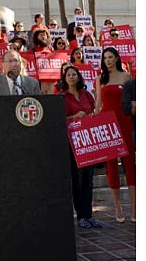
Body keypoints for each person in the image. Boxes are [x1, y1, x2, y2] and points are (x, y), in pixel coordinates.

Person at [95, 47, 136, 222]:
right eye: (105, 58)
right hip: (107, 123)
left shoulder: (126, 77)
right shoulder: (100, 79)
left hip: (125, 121)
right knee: (111, 164)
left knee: (130, 162)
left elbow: (132, 102)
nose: (108, 60)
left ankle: (134, 207)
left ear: (117, 58)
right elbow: (98, 104)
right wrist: (93, 121)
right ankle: (117, 206)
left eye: (110, 57)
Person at [59, 65, 101, 229]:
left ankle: (89, 215)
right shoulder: (62, 97)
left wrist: (91, 116)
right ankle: (81, 216)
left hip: (87, 141)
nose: (71, 77)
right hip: (72, 142)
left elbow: (94, 112)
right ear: (65, 78)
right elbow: (58, 119)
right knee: (77, 178)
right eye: (68, 75)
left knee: (88, 179)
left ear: (78, 77)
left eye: (74, 74)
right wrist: (74, 116)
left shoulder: (86, 94)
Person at [0, 48, 40, 114]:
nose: (13, 64)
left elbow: (39, 106)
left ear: (20, 63)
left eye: (16, 61)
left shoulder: (33, 83)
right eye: (10, 61)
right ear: (3, 64)